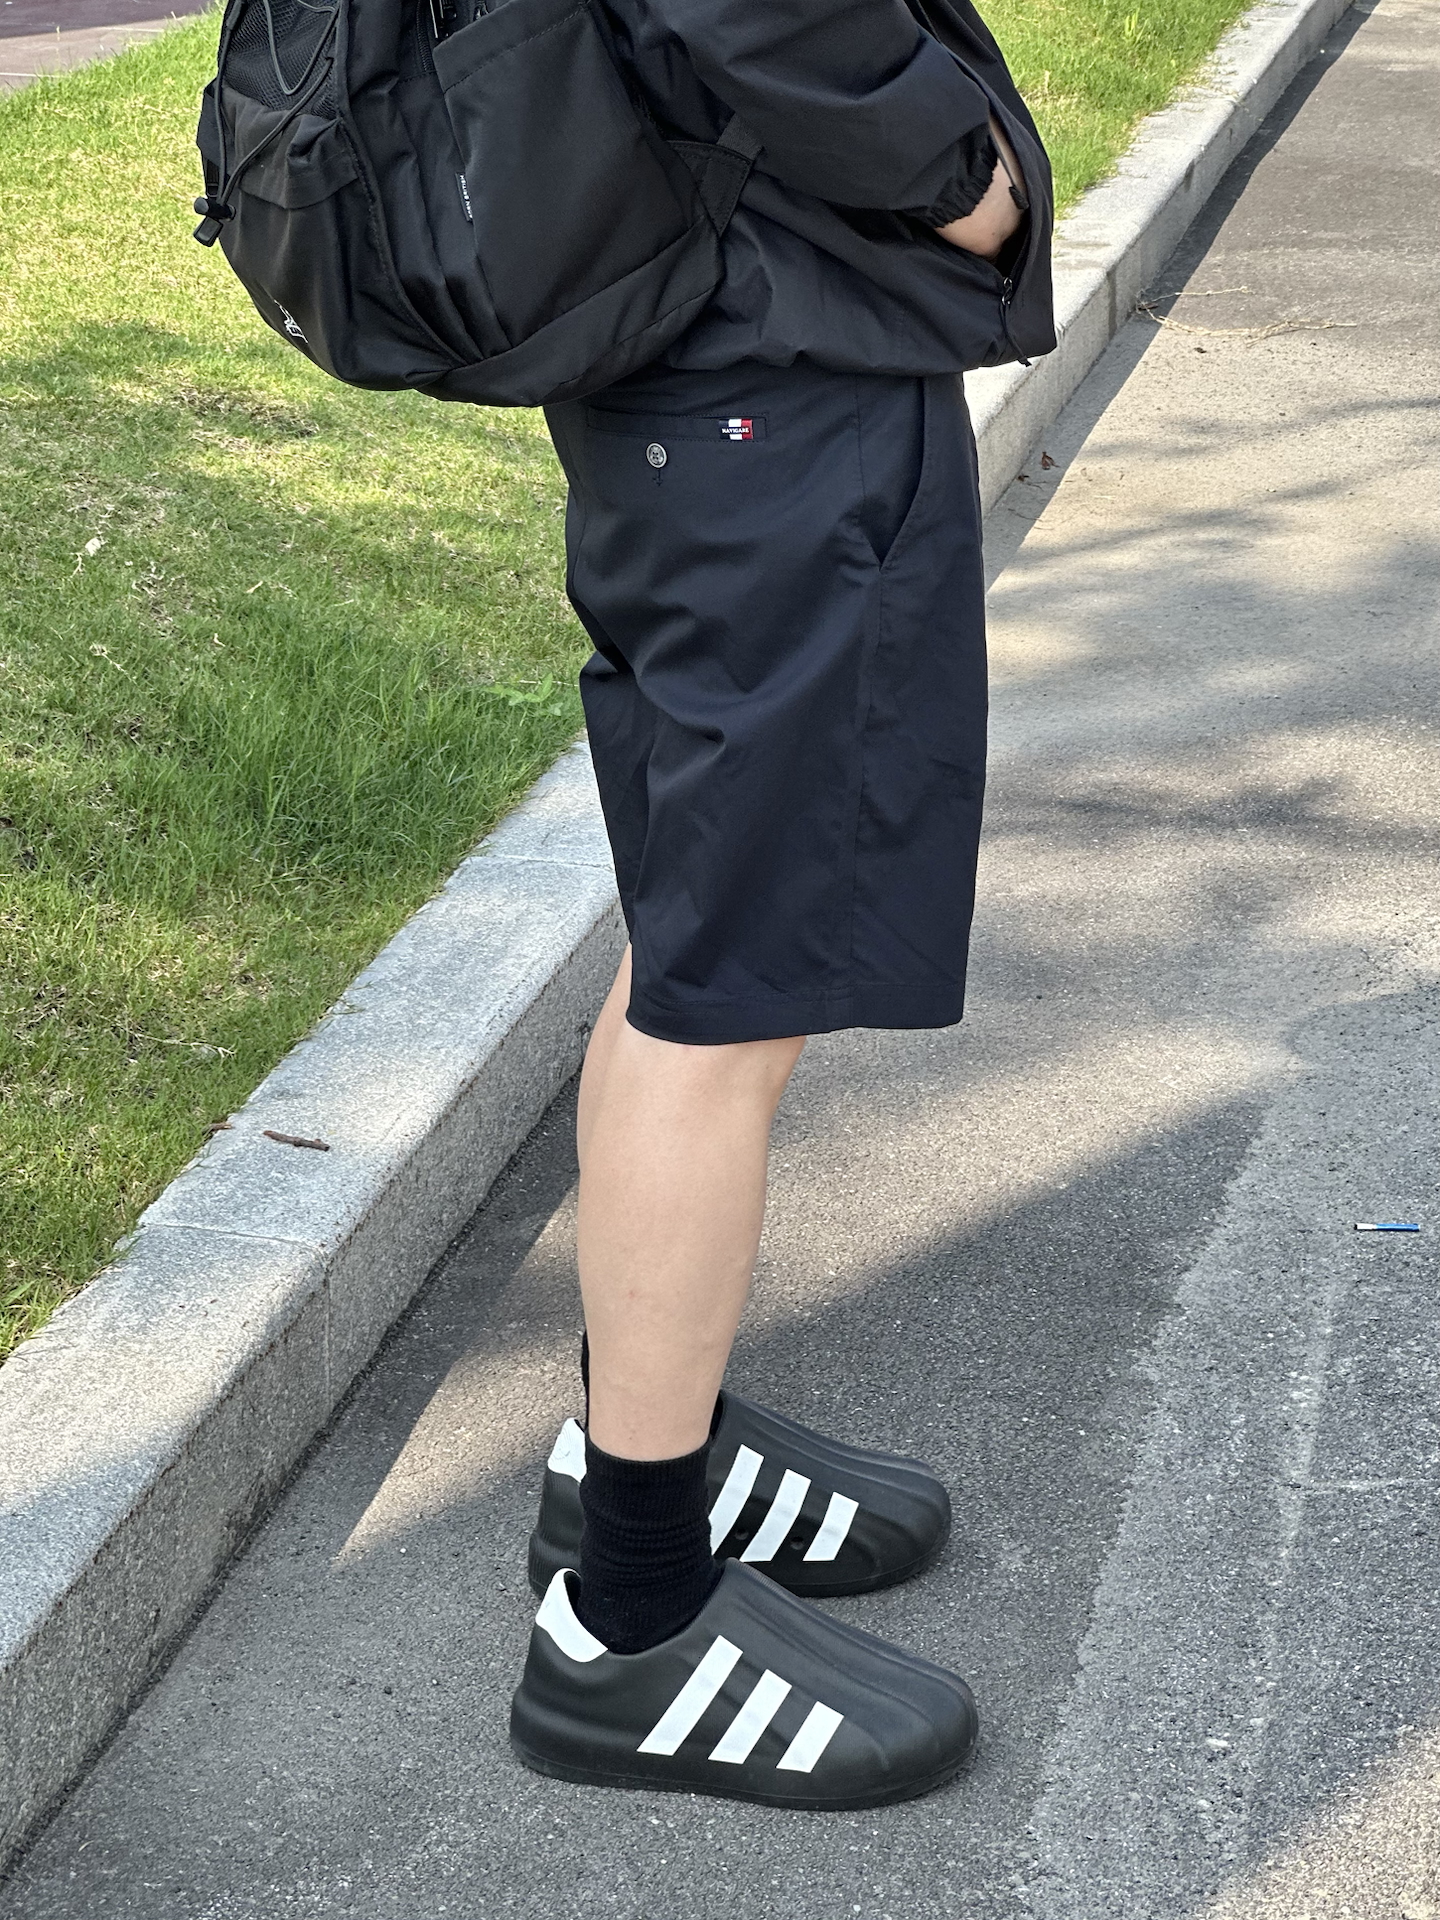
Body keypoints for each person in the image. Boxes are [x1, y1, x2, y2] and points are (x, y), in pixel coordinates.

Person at [509, 0, 1053, 1809]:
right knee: (728, 997)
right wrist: (965, 179)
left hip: (698, 336)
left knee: (698, 943)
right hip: (764, 361)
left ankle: (631, 1458)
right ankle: (630, 1623)